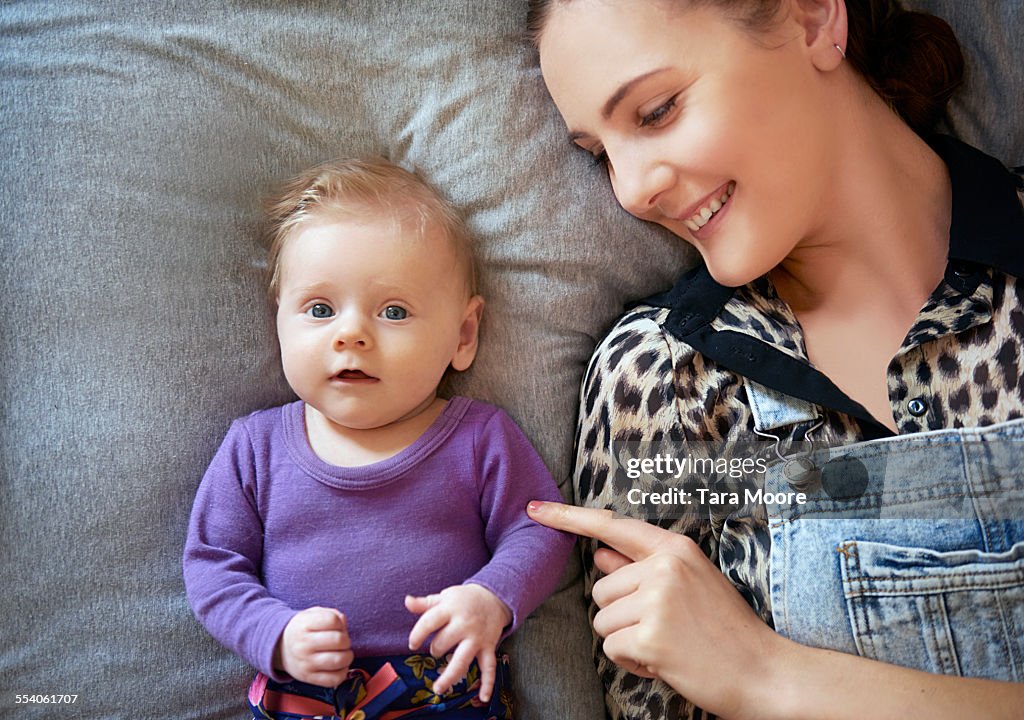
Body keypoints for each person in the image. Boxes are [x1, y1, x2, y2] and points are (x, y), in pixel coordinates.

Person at [524, 0, 1024, 718]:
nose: (632, 190)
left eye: (657, 110)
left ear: (816, 20)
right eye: (600, 155)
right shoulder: (660, 381)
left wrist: (771, 680)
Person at [182, 158, 574, 720]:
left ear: (463, 335)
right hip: (305, 693)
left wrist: (492, 597)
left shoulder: (480, 438)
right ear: (280, 323)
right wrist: (276, 634)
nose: (351, 335)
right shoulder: (255, 448)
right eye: (319, 309)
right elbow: (213, 566)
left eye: (393, 311)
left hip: (445, 689)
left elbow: (539, 527)